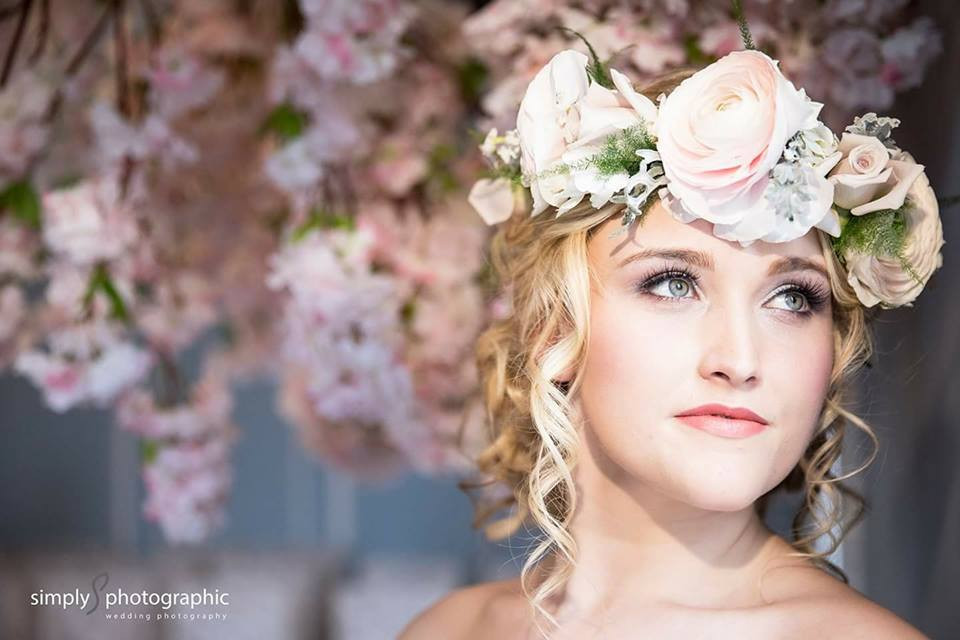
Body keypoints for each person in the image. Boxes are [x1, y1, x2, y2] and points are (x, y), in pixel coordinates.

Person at [400, 27, 944, 640]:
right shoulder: (450, 629)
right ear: (554, 329)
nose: (740, 360)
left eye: (793, 297)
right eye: (672, 285)